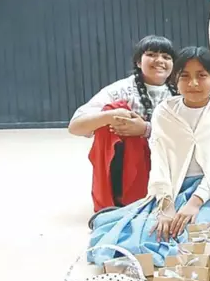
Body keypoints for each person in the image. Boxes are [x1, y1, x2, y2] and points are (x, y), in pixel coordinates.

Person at [87, 47, 210, 266]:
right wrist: (166, 204)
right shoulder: (165, 111)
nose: (193, 83)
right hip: (172, 187)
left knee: (199, 234)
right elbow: (160, 161)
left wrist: (195, 203)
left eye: (201, 76)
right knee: (154, 230)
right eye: (185, 76)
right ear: (175, 80)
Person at [69, 35, 178, 212]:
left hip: (170, 160)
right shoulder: (121, 90)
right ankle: (116, 199)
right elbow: (75, 126)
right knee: (112, 111)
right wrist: (111, 116)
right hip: (132, 165)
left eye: (166, 57)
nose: (159, 60)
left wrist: (146, 129)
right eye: (151, 54)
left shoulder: (181, 90)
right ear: (138, 62)